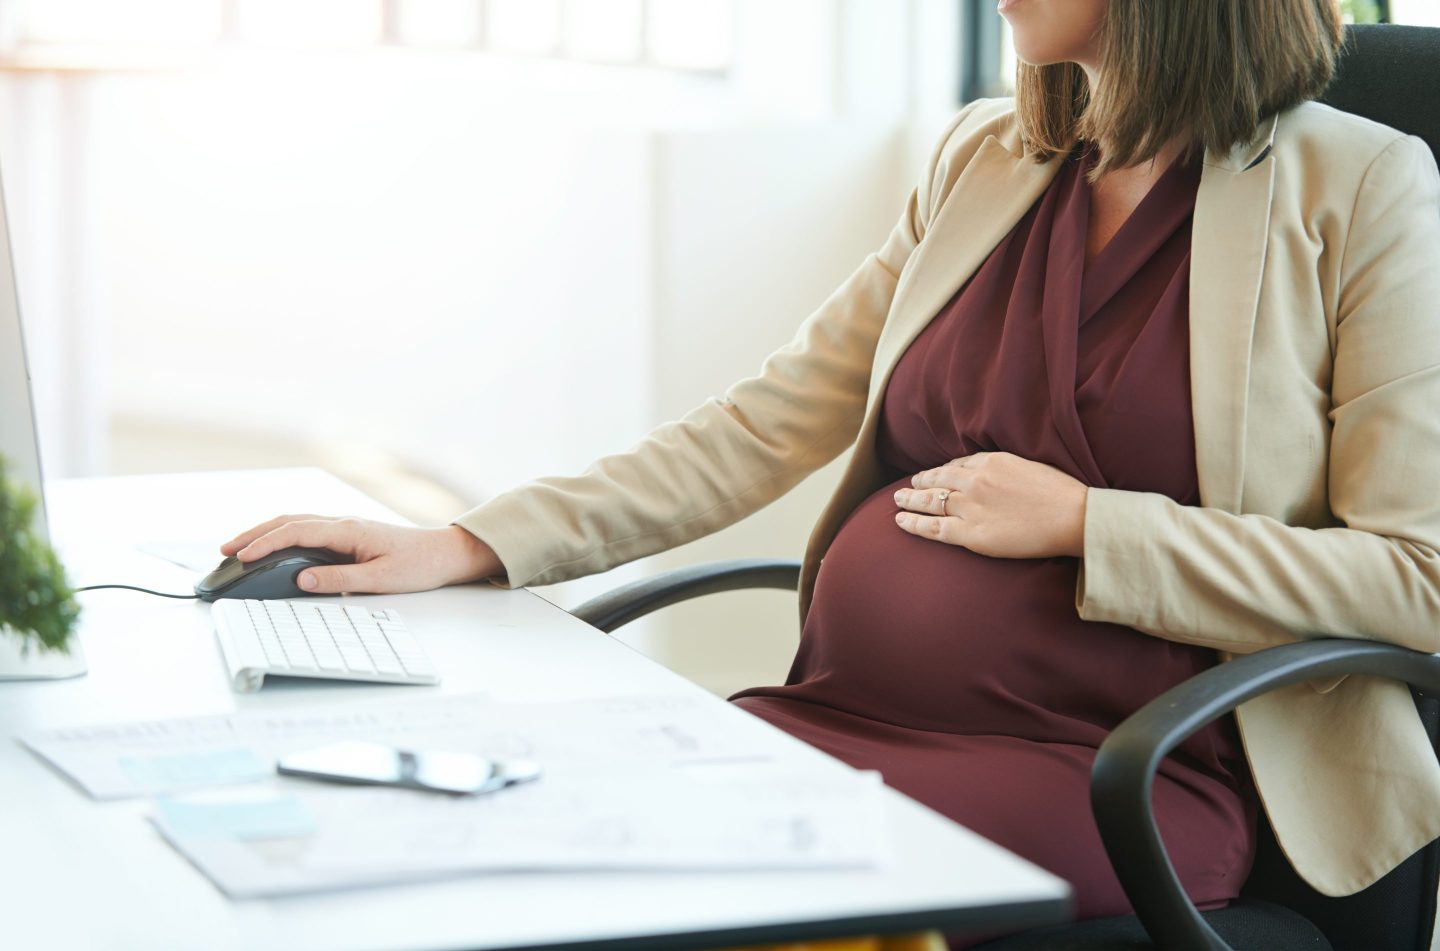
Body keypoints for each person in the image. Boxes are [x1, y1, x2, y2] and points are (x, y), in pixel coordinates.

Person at [222, 0, 1440, 933]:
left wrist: (1091, 526)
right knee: (542, 822)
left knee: (672, 868)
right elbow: (762, 423)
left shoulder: (1362, 191)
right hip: (842, 717)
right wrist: (469, 543)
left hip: (1116, 769)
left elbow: (1416, 578)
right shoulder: (988, 161)